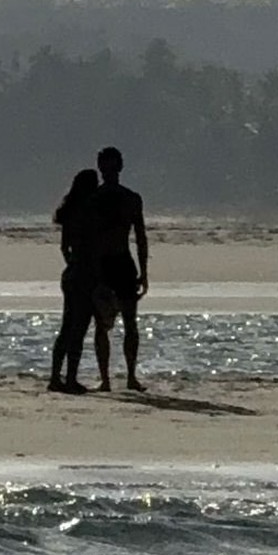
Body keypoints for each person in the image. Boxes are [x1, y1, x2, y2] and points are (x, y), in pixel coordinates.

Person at [93, 146, 149, 391]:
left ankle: (123, 377)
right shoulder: (99, 198)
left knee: (123, 324)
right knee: (110, 324)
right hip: (108, 264)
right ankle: (115, 378)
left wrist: (144, 270)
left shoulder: (127, 198)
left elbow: (140, 236)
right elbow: (141, 237)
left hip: (116, 264)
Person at [49, 167, 103, 393]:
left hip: (72, 272)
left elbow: (64, 248)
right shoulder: (90, 213)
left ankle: (55, 377)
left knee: (66, 326)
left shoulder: (70, 213)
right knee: (79, 328)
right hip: (86, 274)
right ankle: (70, 377)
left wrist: (73, 262)